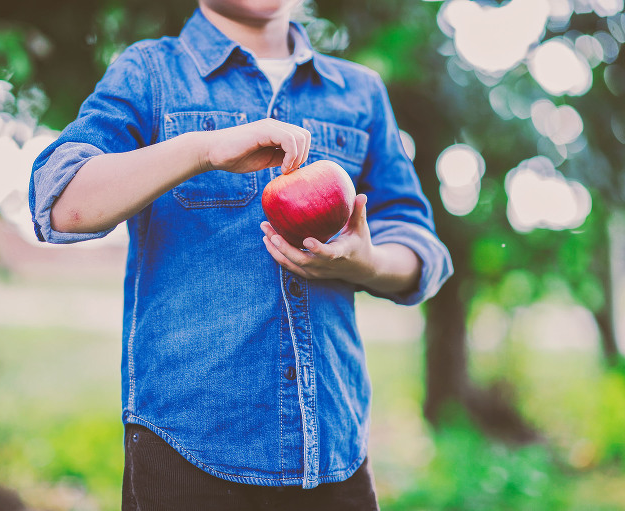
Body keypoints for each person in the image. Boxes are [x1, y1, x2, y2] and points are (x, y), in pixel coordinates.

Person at [29, 0, 453, 509]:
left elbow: (419, 249)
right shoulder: (150, 72)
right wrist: (203, 150)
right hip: (187, 448)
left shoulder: (359, 93)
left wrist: (369, 263)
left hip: (333, 452)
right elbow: (61, 203)